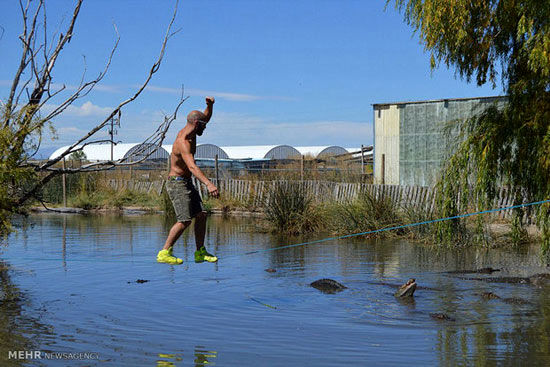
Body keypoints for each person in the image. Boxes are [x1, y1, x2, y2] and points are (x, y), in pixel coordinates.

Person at [157, 96, 220, 264]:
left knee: (201, 214)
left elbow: (205, 116)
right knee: (184, 220)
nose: (205, 127)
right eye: (203, 125)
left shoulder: (194, 130)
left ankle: (200, 252)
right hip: (177, 183)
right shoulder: (183, 141)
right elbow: (192, 167)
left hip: (186, 182)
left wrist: (209, 105)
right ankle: (164, 253)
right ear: (196, 124)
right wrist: (209, 183)